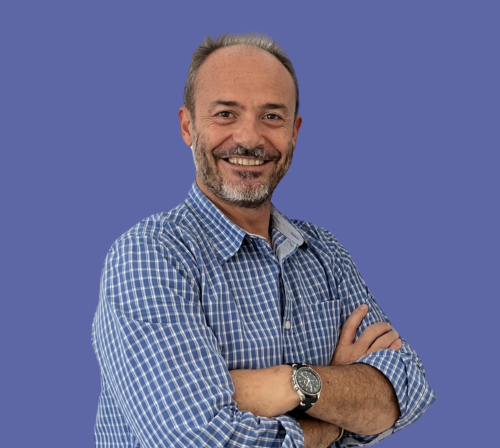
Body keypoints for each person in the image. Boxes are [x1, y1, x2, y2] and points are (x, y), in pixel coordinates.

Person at [92, 33, 436, 448]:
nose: (250, 138)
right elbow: (194, 441)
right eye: (225, 114)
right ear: (188, 126)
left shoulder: (326, 253)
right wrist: (335, 416)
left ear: (294, 132)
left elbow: (406, 391)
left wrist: (288, 382)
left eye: (272, 116)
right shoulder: (149, 256)